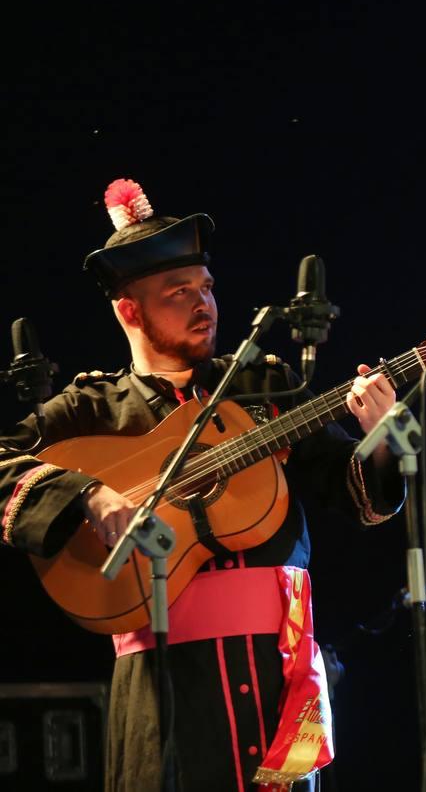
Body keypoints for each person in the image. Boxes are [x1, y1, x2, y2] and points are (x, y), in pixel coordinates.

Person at [0, 179, 403, 791]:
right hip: (163, 685)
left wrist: (382, 437)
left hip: (277, 672)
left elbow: (355, 494)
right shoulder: (90, 409)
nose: (203, 304)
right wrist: (86, 491)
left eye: (206, 288)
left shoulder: (264, 387)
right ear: (129, 310)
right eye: (178, 292)